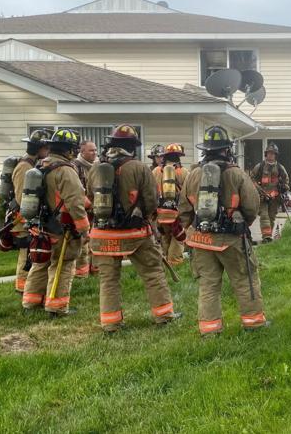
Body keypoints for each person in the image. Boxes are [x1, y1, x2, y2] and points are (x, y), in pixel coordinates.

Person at [86, 125, 181, 333]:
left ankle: (111, 323)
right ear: (132, 147)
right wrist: (145, 216)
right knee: (153, 272)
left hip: (102, 234)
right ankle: (163, 315)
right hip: (135, 234)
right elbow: (151, 200)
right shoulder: (139, 168)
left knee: (108, 279)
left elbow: (90, 198)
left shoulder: (95, 168)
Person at [179, 125, 267, 337]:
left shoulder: (193, 174)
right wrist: (241, 223)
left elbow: (183, 208)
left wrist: (191, 228)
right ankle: (253, 323)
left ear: (205, 150)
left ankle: (209, 329)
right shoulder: (236, 174)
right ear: (227, 149)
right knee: (244, 279)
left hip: (200, 239)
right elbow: (252, 206)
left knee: (208, 284)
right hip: (231, 239)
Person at [21, 129, 90, 317]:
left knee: (41, 264)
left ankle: (30, 302)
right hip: (62, 228)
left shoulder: (41, 165)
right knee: (64, 264)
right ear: (69, 151)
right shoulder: (66, 171)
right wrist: (84, 230)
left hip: (42, 225)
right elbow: (75, 203)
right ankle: (57, 307)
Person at [11, 129, 50, 293]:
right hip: (23, 218)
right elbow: (21, 197)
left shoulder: (31, 165)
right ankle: (22, 287)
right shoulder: (24, 167)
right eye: (46, 148)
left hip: (30, 218)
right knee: (25, 252)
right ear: (40, 148)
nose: (48, 152)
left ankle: (29, 285)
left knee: (31, 252)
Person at [152, 143, 187, 265]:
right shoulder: (183, 172)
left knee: (165, 237)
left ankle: (165, 263)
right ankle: (175, 263)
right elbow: (187, 194)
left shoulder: (156, 171)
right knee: (177, 239)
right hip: (177, 213)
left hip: (160, 213)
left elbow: (151, 191)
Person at [250, 143, 290, 243]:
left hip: (275, 197)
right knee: (264, 216)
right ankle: (266, 236)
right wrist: (258, 189)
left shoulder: (280, 168)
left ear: (275, 155)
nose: (270, 155)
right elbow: (251, 179)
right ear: (266, 154)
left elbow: (286, 180)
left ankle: (268, 235)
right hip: (262, 196)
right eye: (269, 153)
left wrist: (284, 187)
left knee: (271, 216)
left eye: (273, 153)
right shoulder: (260, 166)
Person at [73, 140, 98, 278]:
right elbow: (75, 191)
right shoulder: (75, 167)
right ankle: (81, 275)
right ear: (82, 152)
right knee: (83, 243)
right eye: (91, 150)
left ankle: (95, 269)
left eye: (95, 150)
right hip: (82, 210)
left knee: (95, 241)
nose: (94, 153)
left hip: (97, 210)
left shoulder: (98, 166)